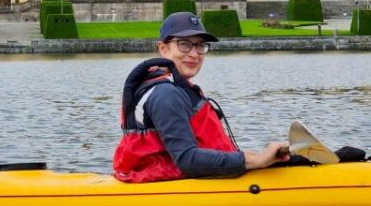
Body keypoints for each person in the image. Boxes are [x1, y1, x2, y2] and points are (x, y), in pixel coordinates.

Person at [113, 12, 289, 183]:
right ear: (163, 48)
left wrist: (261, 157)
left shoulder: (172, 87)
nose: (194, 54)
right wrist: (256, 161)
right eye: (184, 44)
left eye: (200, 45)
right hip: (167, 190)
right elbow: (187, 159)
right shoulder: (165, 94)